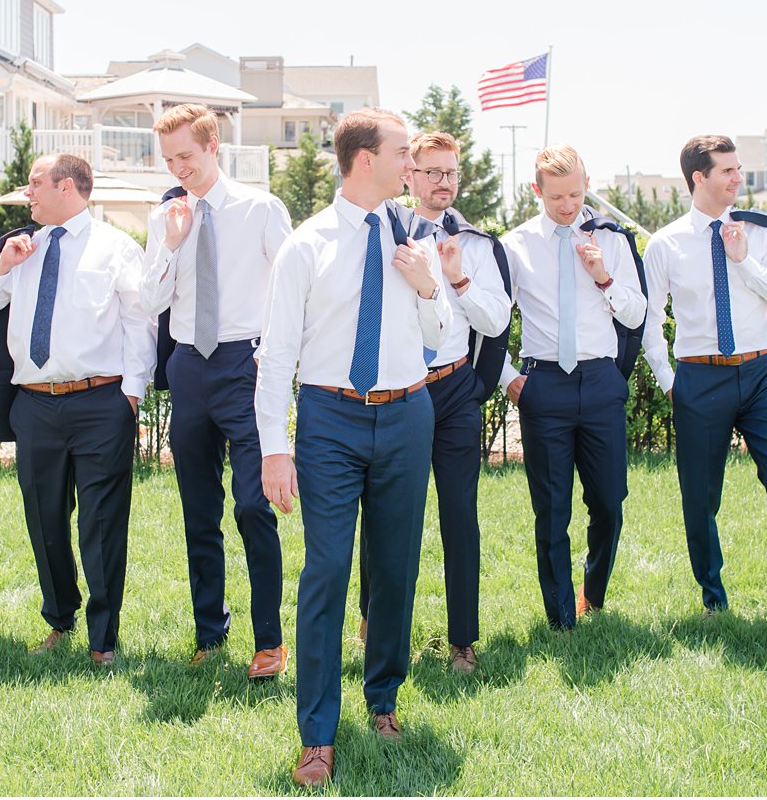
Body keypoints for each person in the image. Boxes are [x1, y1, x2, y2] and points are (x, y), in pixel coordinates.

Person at [257, 108, 451, 787]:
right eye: (405, 154)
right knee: (327, 571)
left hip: (407, 416)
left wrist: (427, 285)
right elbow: (277, 354)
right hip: (330, 422)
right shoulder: (307, 245)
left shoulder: (417, 241)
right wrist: (273, 448)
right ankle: (316, 734)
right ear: (366, 159)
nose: (416, 167)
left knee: (395, 569)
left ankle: (385, 701)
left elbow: (444, 336)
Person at [0, 153, 155, 665]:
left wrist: (130, 393)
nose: (28, 192)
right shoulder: (22, 248)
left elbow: (140, 322)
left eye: (35, 183)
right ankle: (60, 618)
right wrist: (1, 266)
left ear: (66, 186)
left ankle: (102, 639)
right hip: (35, 406)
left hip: (101, 403)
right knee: (44, 519)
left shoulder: (116, 248)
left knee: (102, 523)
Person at [640, 135, 767, 640]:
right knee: (700, 495)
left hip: (763, 371)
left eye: (738, 168)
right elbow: (649, 320)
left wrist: (745, 259)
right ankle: (713, 599)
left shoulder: (761, 233)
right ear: (698, 178)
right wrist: (670, 383)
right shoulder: (665, 244)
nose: (737, 178)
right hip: (699, 378)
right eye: (727, 170)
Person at [140, 103, 293, 679]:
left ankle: (270, 639)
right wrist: (173, 243)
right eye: (170, 159)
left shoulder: (260, 208)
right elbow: (149, 302)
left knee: (253, 506)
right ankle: (210, 630)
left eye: (187, 155)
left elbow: (294, 286)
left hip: (243, 364)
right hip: (188, 368)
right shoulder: (166, 218)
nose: (179, 167)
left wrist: (275, 353)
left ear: (213, 148)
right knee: (198, 510)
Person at [356, 130, 512, 674]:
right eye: (432, 172)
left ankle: (462, 638)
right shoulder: (382, 230)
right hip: (396, 391)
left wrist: (457, 278)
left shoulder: (478, 245)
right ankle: (372, 620)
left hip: (453, 391)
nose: (444, 182)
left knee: (459, 515)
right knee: (383, 515)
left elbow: (496, 323)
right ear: (410, 175)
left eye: (452, 173)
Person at [500, 145, 647, 631]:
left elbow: (636, 314)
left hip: (601, 382)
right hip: (544, 385)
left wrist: (604, 277)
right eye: (557, 196)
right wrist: (510, 379)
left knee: (609, 500)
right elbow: (490, 319)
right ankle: (560, 616)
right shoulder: (516, 244)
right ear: (537, 191)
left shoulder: (613, 240)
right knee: (552, 507)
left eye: (576, 194)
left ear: (587, 184)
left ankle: (593, 592)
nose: (568, 205)